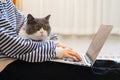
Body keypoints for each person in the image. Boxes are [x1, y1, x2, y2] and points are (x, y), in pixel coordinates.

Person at [0, 0, 120, 80]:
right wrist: (55, 51)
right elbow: (13, 46)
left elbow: (26, 26)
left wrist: (55, 42)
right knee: (82, 72)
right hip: (8, 65)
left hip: (22, 56)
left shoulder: (5, 3)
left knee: (90, 63)